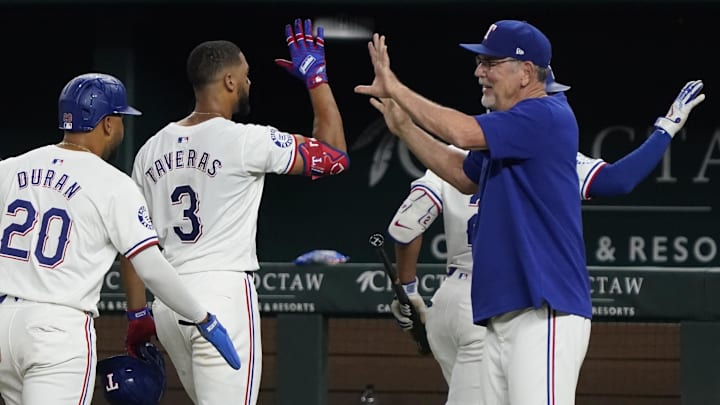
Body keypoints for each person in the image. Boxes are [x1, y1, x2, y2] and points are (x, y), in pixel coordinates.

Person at [356, 20, 705, 405]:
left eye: (490, 62)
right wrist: (405, 128)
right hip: (499, 314)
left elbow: (461, 134)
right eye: (479, 62)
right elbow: (461, 175)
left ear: (525, 73)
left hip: (544, 309)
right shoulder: (508, 129)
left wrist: (397, 89)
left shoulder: (546, 115)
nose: (479, 72)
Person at [119, 18, 349, 405]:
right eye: (245, 76)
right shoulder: (245, 139)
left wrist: (137, 314)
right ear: (227, 81)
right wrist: (316, 79)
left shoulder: (149, 150)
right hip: (220, 294)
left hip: (168, 303)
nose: (248, 83)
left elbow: (133, 242)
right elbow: (334, 157)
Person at [0, 73, 240, 405]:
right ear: (108, 123)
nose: (122, 128)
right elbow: (152, 268)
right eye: (121, 119)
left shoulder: (10, 169)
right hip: (56, 330)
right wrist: (203, 318)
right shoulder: (113, 183)